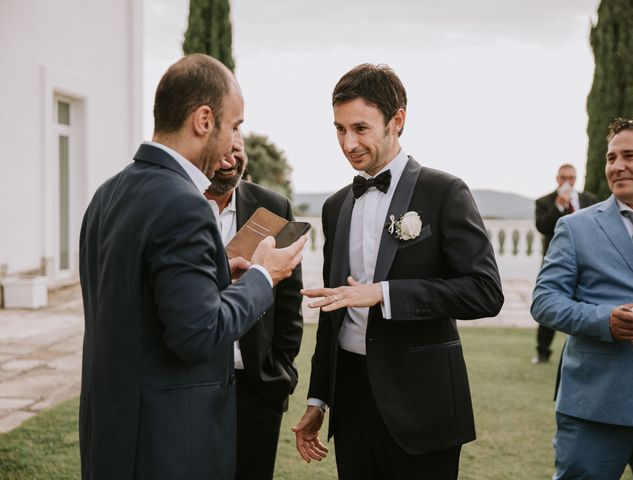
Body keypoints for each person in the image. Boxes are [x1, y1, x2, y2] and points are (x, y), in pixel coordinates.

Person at [78, 54, 305, 480]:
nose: (237, 140)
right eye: (235, 126)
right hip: (170, 443)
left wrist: (220, 274)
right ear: (204, 120)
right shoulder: (185, 204)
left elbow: (140, 299)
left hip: (112, 434)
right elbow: (198, 335)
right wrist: (262, 276)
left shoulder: (107, 196)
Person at [292, 63, 504, 479]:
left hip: (422, 405)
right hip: (351, 401)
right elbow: (332, 310)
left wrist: (385, 293)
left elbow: (485, 292)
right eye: (339, 129)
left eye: (360, 128)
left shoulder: (444, 192)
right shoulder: (336, 206)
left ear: (397, 120)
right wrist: (319, 399)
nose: (348, 143)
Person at [531, 117, 633, 478]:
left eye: (630, 156)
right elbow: (544, 300)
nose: (617, 166)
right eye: (611, 158)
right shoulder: (576, 227)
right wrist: (603, 320)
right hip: (595, 405)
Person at [204, 133, 304, 480]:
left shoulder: (274, 207)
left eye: (238, 147)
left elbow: (290, 303)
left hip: (257, 388)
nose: (230, 159)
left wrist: (281, 371)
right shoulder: (176, 208)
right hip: (192, 386)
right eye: (222, 149)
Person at [532, 164, 597, 364]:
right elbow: (542, 227)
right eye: (563, 178)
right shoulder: (544, 201)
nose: (567, 182)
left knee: (588, 304)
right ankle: (543, 352)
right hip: (556, 262)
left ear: (576, 179)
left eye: (571, 178)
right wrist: (558, 205)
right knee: (550, 304)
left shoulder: (589, 200)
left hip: (588, 262)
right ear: (557, 178)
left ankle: (590, 350)